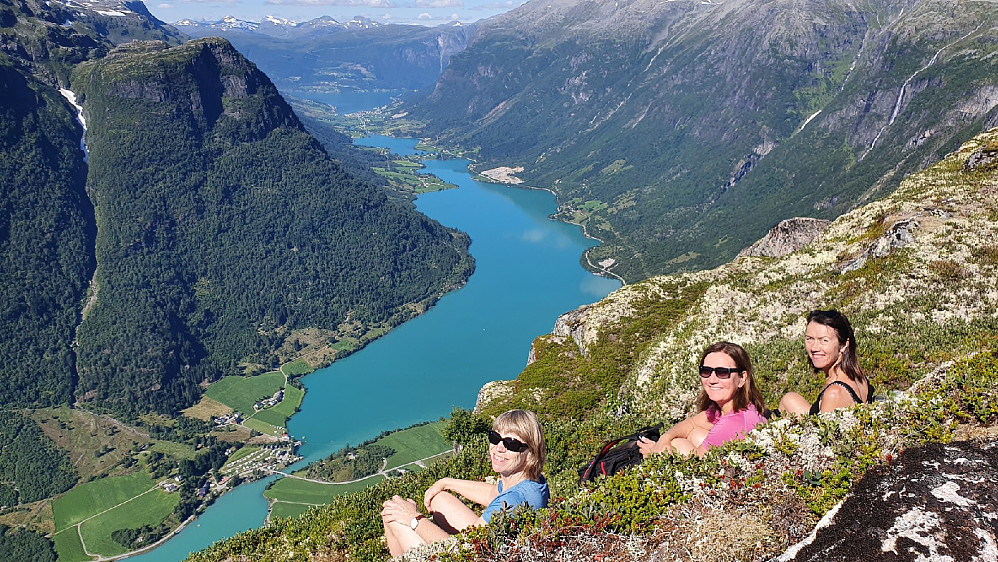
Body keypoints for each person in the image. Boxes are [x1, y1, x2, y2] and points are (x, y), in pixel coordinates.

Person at [380, 409, 549, 557]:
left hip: (471, 555)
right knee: (440, 499)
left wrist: (413, 518)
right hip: (496, 550)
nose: (498, 448)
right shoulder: (531, 482)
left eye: (511, 444)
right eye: (495, 437)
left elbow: (464, 551)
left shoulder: (513, 501)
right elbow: (493, 494)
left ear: (530, 453)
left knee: (394, 516)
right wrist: (446, 482)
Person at [636, 341, 767, 458]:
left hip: (729, 481)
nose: (712, 380)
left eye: (722, 372)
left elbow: (697, 465)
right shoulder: (728, 408)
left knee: (678, 444)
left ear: (742, 378)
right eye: (706, 371)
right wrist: (665, 439)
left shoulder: (734, 421)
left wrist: (655, 453)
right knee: (695, 433)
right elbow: (692, 423)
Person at [778, 309, 873, 415]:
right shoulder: (857, 376)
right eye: (809, 339)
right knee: (789, 399)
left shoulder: (834, 393)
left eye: (824, 340)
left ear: (844, 345)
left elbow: (824, 430)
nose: (814, 347)